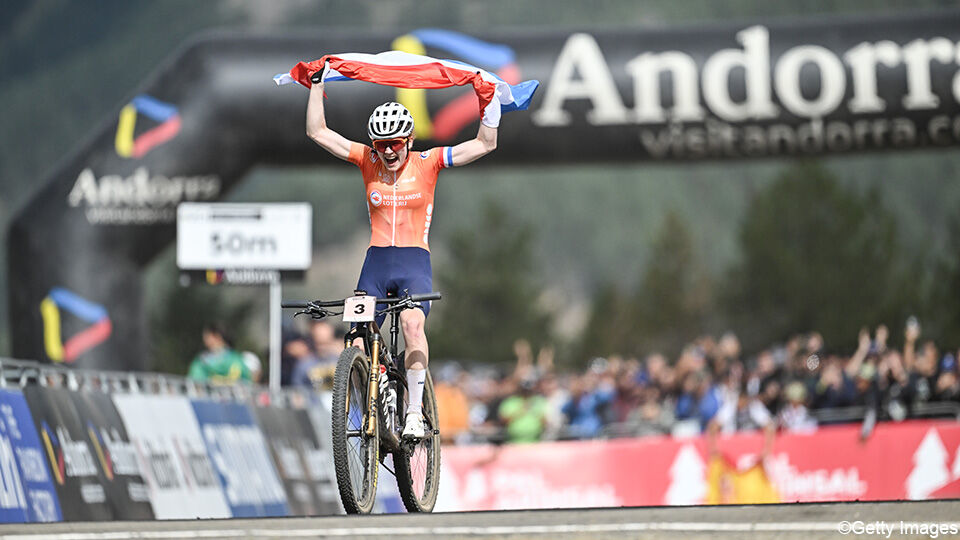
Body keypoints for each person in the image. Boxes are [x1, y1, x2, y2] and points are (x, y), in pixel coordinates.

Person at [305, 66, 498, 439]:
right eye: (381, 144)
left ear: (408, 140)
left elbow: (485, 144)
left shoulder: (428, 163)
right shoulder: (367, 160)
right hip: (375, 261)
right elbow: (317, 132)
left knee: (412, 325)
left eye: (395, 143)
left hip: (413, 262)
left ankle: (412, 412)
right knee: (357, 339)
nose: (388, 151)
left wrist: (488, 101)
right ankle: (374, 396)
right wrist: (317, 85)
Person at [187, 323, 251, 384]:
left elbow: (195, 381)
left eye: (207, 335)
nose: (204, 339)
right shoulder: (237, 359)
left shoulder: (201, 362)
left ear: (217, 336)